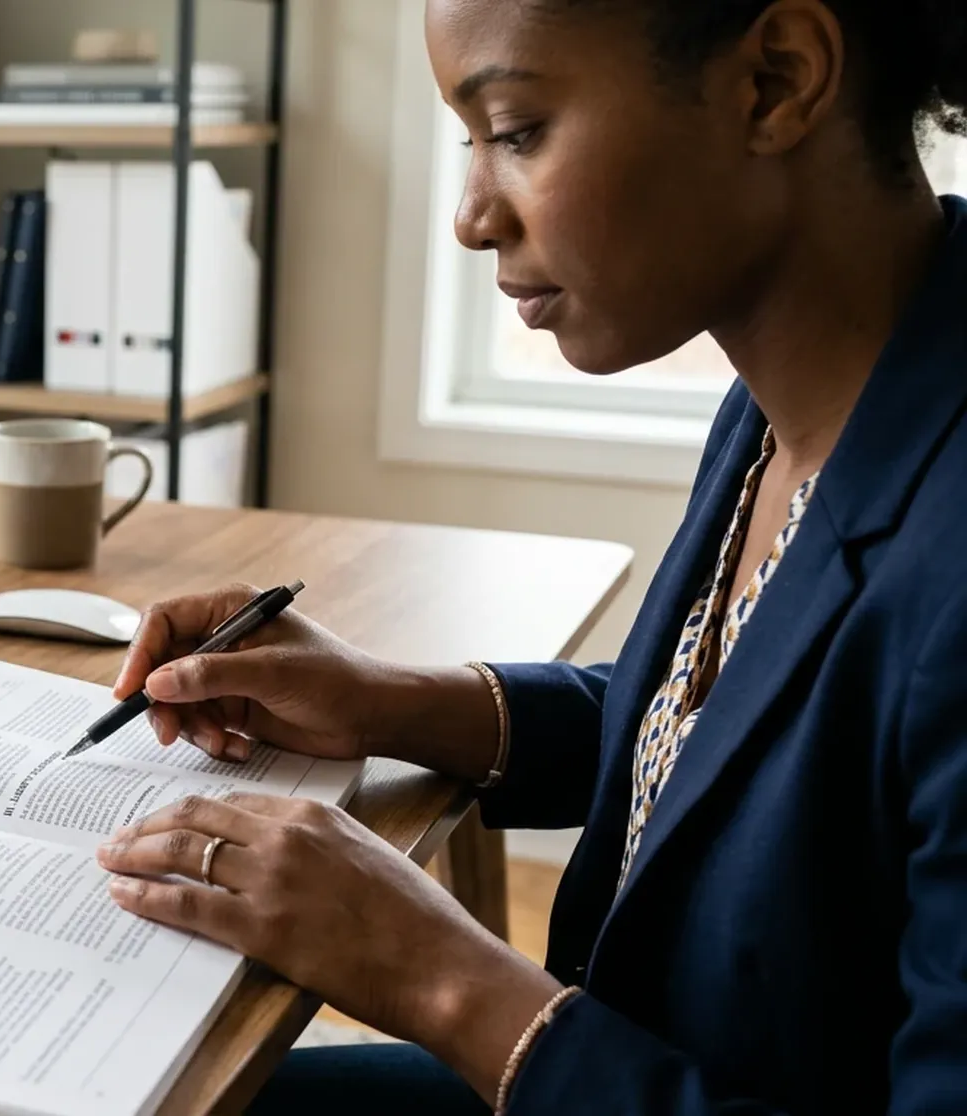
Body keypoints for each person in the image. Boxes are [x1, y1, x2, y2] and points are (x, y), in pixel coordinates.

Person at [90, 1, 967, 1113]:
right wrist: (388, 701)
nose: (469, 217)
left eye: (515, 131)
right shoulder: (790, 400)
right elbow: (726, 739)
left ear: (775, 82)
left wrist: (439, 977)